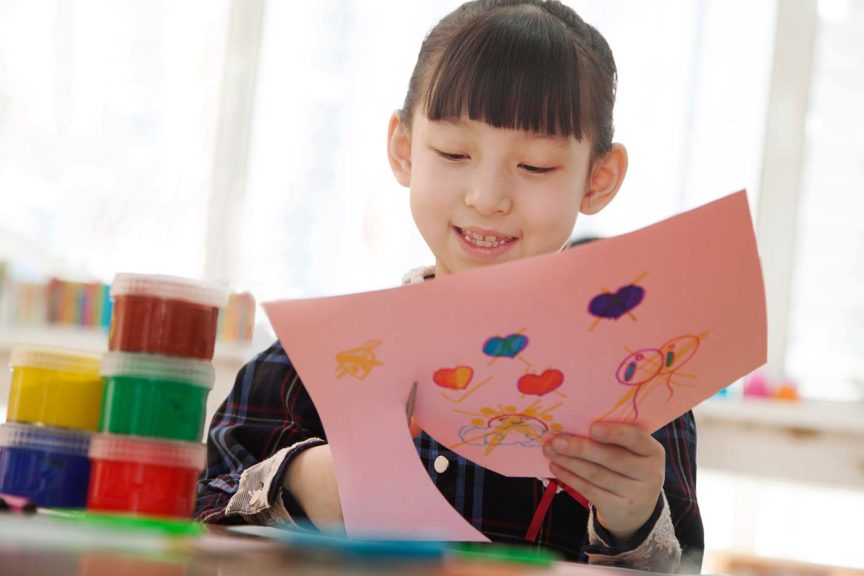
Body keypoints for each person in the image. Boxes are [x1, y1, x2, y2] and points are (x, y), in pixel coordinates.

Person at [195, 1, 704, 571]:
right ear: (404, 149)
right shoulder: (307, 364)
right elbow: (199, 518)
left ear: (599, 179)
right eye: (454, 153)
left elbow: (681, 564)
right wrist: (309, 483)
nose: (487, 197)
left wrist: (633, 520)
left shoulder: (637, 388)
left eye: (535, 166)